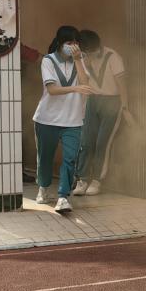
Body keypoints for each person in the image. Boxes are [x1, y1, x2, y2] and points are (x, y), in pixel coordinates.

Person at [32, 25, 94, 214]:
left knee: (70, 159)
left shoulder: (80, 60)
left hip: (73, 120)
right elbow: (52, 90)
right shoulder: (48, 60)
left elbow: (85, 83)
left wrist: (78, 60)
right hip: (46, 119)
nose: (73, 46)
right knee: (45, 157)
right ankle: (43, 188)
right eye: (69, 42)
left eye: (76, 42)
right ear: (60, 43)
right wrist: (74, 89)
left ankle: (63, 197)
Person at [72, 29, 127, 197]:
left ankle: (97, 180)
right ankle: (82, 179)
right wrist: (81, 61)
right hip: (93, 100)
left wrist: (125, 107)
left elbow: (122, 84)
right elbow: (83, 82)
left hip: (112, 101)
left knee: (103, 142)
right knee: (86, 141)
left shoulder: (113, 56)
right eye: (86, 51)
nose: (90, 54)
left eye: (92, 51)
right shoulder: (82, 57)